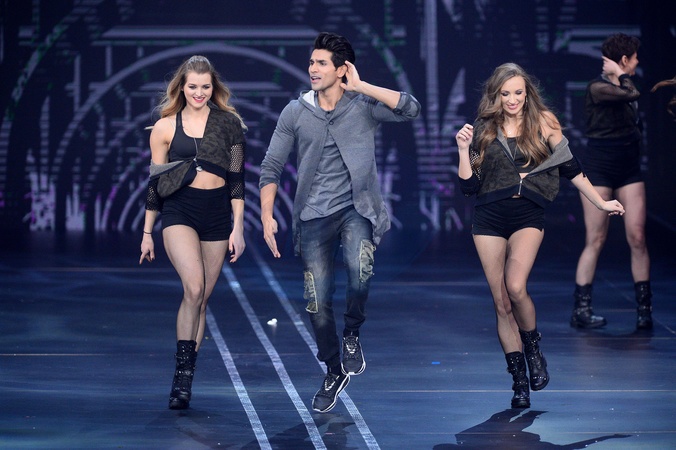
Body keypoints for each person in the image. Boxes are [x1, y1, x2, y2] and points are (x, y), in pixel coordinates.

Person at [259, 32, 420, 413]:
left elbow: (410, 109)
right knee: (316, 302)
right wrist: (266, 216)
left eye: (321, 63)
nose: (312, 69)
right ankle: (334, 369)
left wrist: (362, 86)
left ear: (341, 69)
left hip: (356, 209)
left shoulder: (362, 106)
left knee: (360, 269)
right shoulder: (296, 112)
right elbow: (271, 166)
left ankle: (352, 334)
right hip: (313, 215)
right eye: (311, 62)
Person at [455, 63, 624, 409]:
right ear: (496, 95)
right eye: (506, 94)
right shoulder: (484, 128)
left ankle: (533, 348)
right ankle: (519, 383)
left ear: (527, 92)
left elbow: (571, 168)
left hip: (528, 214)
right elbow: (469, 187)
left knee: (516, 287)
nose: (512, 99)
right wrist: (462, 151)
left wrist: (601, 202)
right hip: (488, 217)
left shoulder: (544, 122)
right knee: (501, 302)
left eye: (518, 92)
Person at [139, 55, 247, 410]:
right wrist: (147, 232)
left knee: (202, 300)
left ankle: (187, 377)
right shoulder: (165, 127)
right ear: (182, 88)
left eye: (205, 87)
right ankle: (180, 377)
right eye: (192, 87)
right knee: (194, 288)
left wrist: (238, 227)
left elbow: (237, 180)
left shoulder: (229, 125)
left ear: (213, 88)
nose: (199, 93)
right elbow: (156, 184)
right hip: (180, 210)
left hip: (217, 215)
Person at [570, 33, 653, 331]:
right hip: (600, 168)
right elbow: (631, 94)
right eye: (634, 58)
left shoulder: (623, 85)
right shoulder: (598, 87)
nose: (637, 63)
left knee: (638, 236)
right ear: (624, 60)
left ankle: (644, 309)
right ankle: (581, 310)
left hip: (628, 166)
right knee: (596, 238)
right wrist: (619, 73)